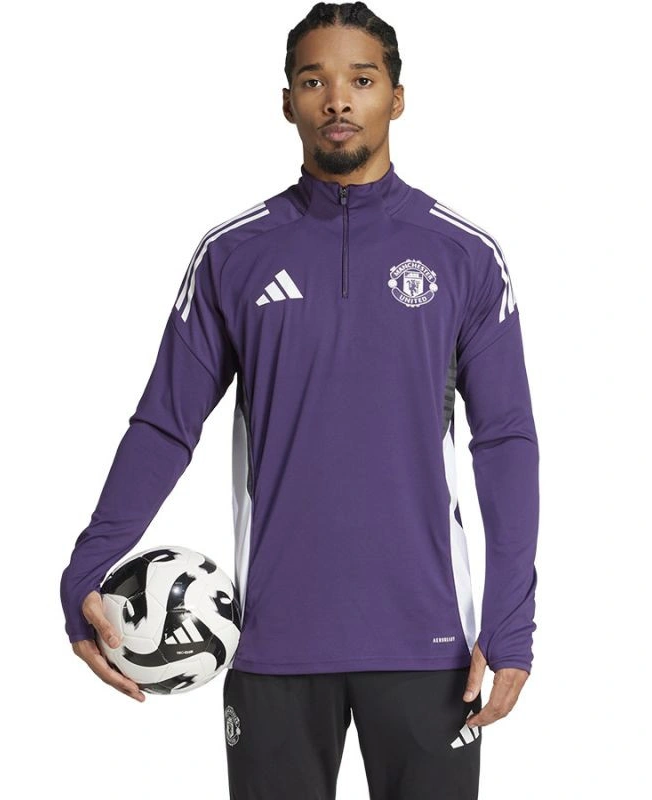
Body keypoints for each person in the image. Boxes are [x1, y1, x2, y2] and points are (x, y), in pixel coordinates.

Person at [60, 3, 540, 798]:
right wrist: (86, 565)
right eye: (314, 81)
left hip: (431, 647)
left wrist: (511, 618)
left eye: (362, 79)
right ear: (287, 102)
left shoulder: (464, 256)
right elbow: (165, 425)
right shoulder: (233, 255)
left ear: (397, 97)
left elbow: (507, 441)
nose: (338, 99)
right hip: (272, 644)